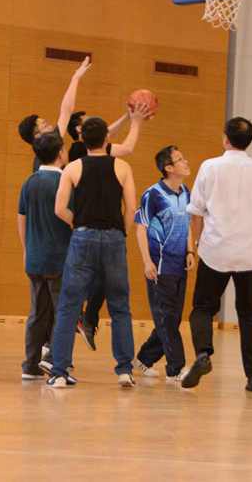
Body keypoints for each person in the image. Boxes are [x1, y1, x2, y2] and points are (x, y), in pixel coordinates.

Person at [181, 117, 252, 392]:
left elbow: (196, 213)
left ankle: (203, 354)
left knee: (202, 308)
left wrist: (194, 245)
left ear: (225, 139)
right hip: (250, 254)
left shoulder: (209, 167)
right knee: (247, 313)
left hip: (215, 250)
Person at [46, 117, 138, 389]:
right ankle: (124, 370)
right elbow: (131, 208)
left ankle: (59, 371)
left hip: (83, 237)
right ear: (107, 140)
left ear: (82, 140)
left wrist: (76, 223)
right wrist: (122, 232)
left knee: (69, 306)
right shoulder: (122, 167)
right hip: (114, 238)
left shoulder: (72, 168)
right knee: (120, 305)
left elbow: (59, 208)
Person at [69, 104, 149, 351]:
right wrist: (136, 121)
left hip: (86, 227)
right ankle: (75, 327)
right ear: (79, 130)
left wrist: (126, 116)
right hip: (86, 227)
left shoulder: (87, 147)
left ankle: (85, 321)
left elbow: (105, 132)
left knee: (100, 279)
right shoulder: (78, 150)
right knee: (86, 287)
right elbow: (126, 146)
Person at [134, 146, 194, 382]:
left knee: (172, 318)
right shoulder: (153, 194)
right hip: (159, 266)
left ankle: (144, 358)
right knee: (167, 318)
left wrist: (190, 250)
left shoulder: (186, 192)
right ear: (168, 168)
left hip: (180, 264)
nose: (186, 162)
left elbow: (188, 223)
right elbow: (141, 228)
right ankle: (176, 369)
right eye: (180, 159)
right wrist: (147, 262)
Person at [17, 132, 71, 380]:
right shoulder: (65, 182)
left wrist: (26, 249)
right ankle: (54, 361)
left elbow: (21, 218)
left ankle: (30, 365)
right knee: (63, 313)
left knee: (37, 313)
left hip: (35, 257)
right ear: (60, 153)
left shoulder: (29, 182)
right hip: (59, 257)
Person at [17, 57, 91, 171]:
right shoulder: (41, 163)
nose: (50, 125)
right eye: (45, 125)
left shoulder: (52, 141)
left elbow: (66, 111)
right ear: (37, 136)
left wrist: (75, 78)